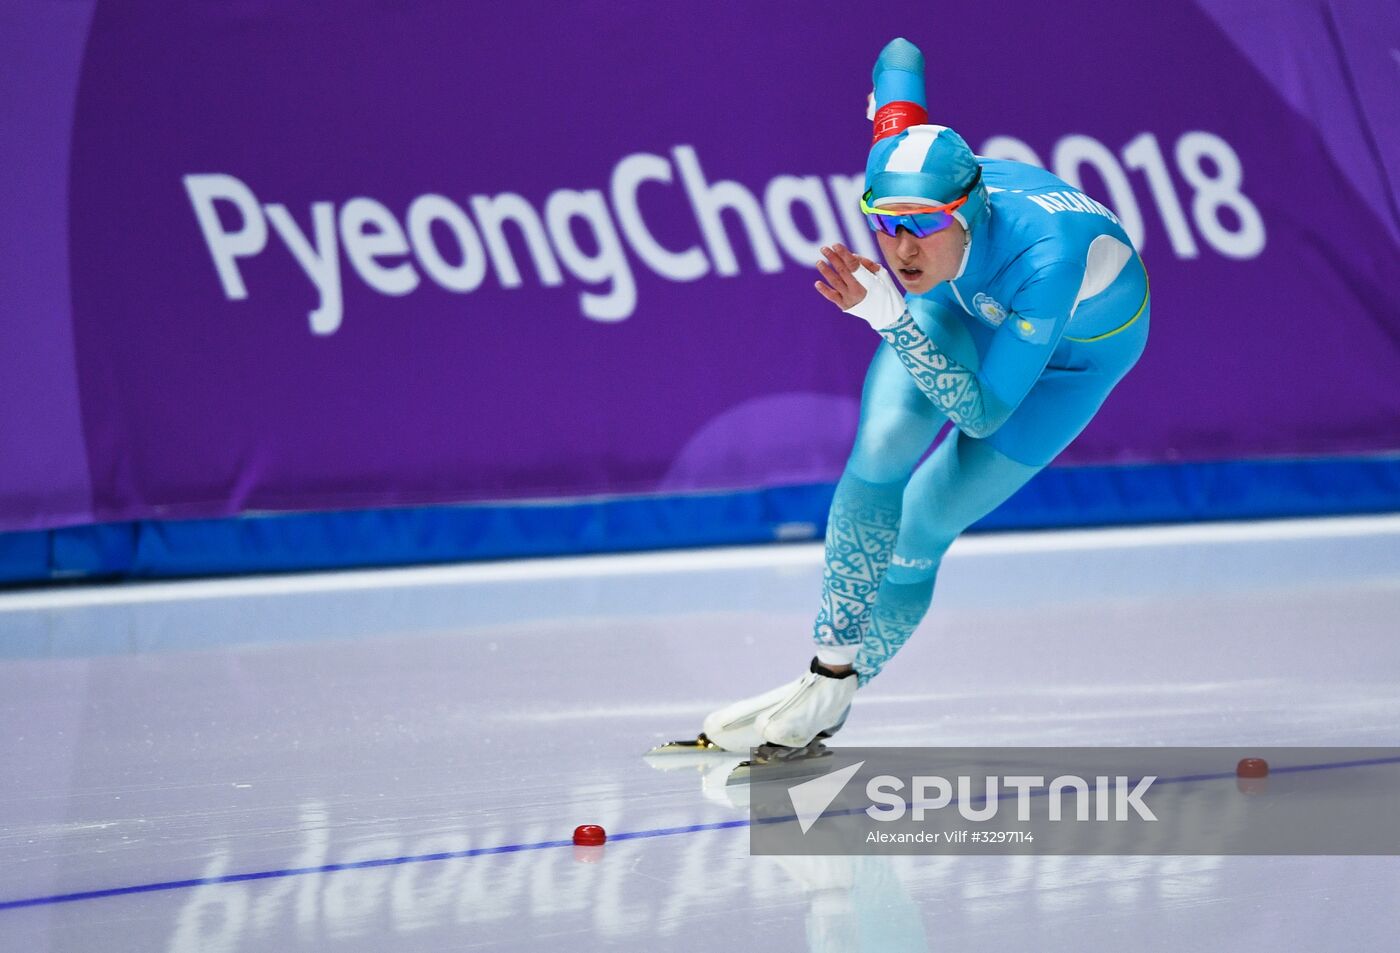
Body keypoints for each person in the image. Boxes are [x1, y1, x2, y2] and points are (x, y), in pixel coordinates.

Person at [659, 37, 1149, 759]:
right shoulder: (902, 159)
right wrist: (888, 97)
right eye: (884, 224)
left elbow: (980, 415)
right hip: (959, 302)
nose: (900, 248)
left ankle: (835, 694)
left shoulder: (1048, 260)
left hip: (1071, 359)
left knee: (923, 526)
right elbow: (899, 54)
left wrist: (885, 312)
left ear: (970, 209)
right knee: (883, 444)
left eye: (920, 225)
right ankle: (827, 663)